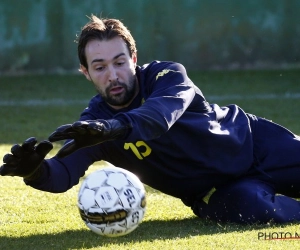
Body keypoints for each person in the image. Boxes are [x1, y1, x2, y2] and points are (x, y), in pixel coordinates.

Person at [1, 14, 300, 225]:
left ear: (133, 58)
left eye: (119, 62)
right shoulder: (93, 125)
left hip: (257, 144)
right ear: (86, 72)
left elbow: (158, 116)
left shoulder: (167, 75)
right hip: (220, 190)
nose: (113, 75)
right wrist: (35, 172)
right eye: (100, 67)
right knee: (253, 208)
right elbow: (62, 173)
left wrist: (114, 128)